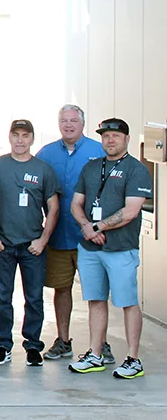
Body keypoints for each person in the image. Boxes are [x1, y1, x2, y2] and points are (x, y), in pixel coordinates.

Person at [68, 118, 153, 379]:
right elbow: (76, 204)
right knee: (95, 300)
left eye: (115, 136)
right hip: (91, 249)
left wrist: (97, 227)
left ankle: (133, 360)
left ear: (127, 139)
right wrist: (87, 227)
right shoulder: (91, 167)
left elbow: (131, 211)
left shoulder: (136, 169)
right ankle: (95, 355)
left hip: (121, 249)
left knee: (128, 302)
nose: (110, 140)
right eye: (105, 136)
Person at [0, 119, 60, 367]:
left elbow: (54, 208)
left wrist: (43, 240)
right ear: (9, 137)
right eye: (16, 135)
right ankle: (3, 345)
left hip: (32, 247)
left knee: (34, 298)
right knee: (3, 297)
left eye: (25, 135)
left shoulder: (43, 169)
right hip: (3, 245)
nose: (20, 140)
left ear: (32, 139)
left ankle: (33, 346)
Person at [36, 104, 108, 362]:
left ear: (82, 124)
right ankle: (63, 340)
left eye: (73, 121)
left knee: (96, 292)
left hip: (92, 237)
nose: (68, 125)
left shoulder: (98, 151)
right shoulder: (46, 154)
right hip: (59, 236)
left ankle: (101, 344)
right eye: (64, 121)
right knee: (61, 288)